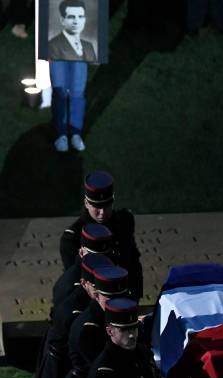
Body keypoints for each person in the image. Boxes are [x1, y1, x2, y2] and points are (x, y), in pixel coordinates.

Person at [60, 172, 143, 299]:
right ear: (86, 203)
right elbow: (76, 280)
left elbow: (133, 261)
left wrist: (135, 296)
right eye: (97, 206)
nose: (102, 212)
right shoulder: (72, 238)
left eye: (107, 205)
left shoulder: (124, 221)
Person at [48, 1, 95, 152]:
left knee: (78, 93)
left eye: (80, 16)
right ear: (62, 20)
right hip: (57, 57)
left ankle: (75, 133)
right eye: (71, 16)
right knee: (60, 91)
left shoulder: (88, 46)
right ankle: (61, 134)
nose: (76, 21)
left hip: (80, 60)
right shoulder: (53, 44)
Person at [53, 222, 115, 309]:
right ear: (81, 252)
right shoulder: (70, 286)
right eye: (93, 256)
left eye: (106, 255)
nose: (101, 260)